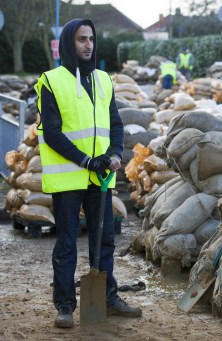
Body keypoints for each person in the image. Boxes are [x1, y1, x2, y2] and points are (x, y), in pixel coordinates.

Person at [34, 18, 142, 328]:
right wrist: (86, 160)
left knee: (104, 239)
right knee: (67, 243)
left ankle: (107, 296)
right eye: (82, 39)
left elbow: (116, 125)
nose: (88, 44)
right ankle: (65, 305)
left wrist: (115, 153)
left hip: (100, 177)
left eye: (91, 39)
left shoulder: (104, 80)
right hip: (69, 177)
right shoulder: (51, 81)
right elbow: (52, 133)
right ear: (70, 42)